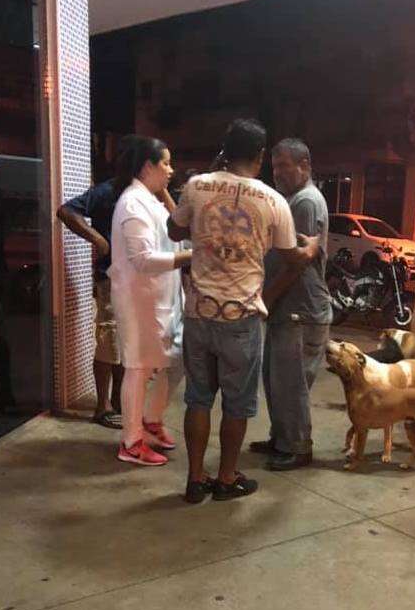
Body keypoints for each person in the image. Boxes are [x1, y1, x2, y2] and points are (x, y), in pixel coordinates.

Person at [167, 119, 319, 504]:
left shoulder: (197, 185)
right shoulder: (273, 200)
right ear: (261, 156)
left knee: (198, 399)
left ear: (224, 149)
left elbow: (173, 230)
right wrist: (313, 247)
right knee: (237, 404)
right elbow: (292, 258)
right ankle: (226, 478)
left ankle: (195, 480)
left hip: (199, 312)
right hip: (242, 317)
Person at [249, 138, 331, 471]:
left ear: (305, 165)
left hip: (301, 309)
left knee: (291, 383)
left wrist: (265, 300)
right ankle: (282, 438)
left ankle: (297, 446)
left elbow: (294, 264)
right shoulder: (292, 199)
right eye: (275, 165)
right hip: (289, 308)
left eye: (285, 165)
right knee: (277, 379)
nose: (278, 172)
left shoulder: (305, 202)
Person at [108, 137, 191, 466]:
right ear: (147, 166)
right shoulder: (132, 204)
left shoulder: (151, 201)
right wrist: (191, 256)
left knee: (175, 361)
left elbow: (175, 234)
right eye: (166, 163)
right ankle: (130, 442)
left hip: (163, 299)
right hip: (140, 300)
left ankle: (151, 420)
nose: (171, 170)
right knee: (139, 368)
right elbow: (142, 259)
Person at [57, 136, 139, 429]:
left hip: (137, 282)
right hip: (112, 279)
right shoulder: (108, 191)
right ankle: (101, 406)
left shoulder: (141, 194)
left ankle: (118, 400)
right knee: (109, 342)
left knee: (125, 346)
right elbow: (67, 211)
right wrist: (98, 239)